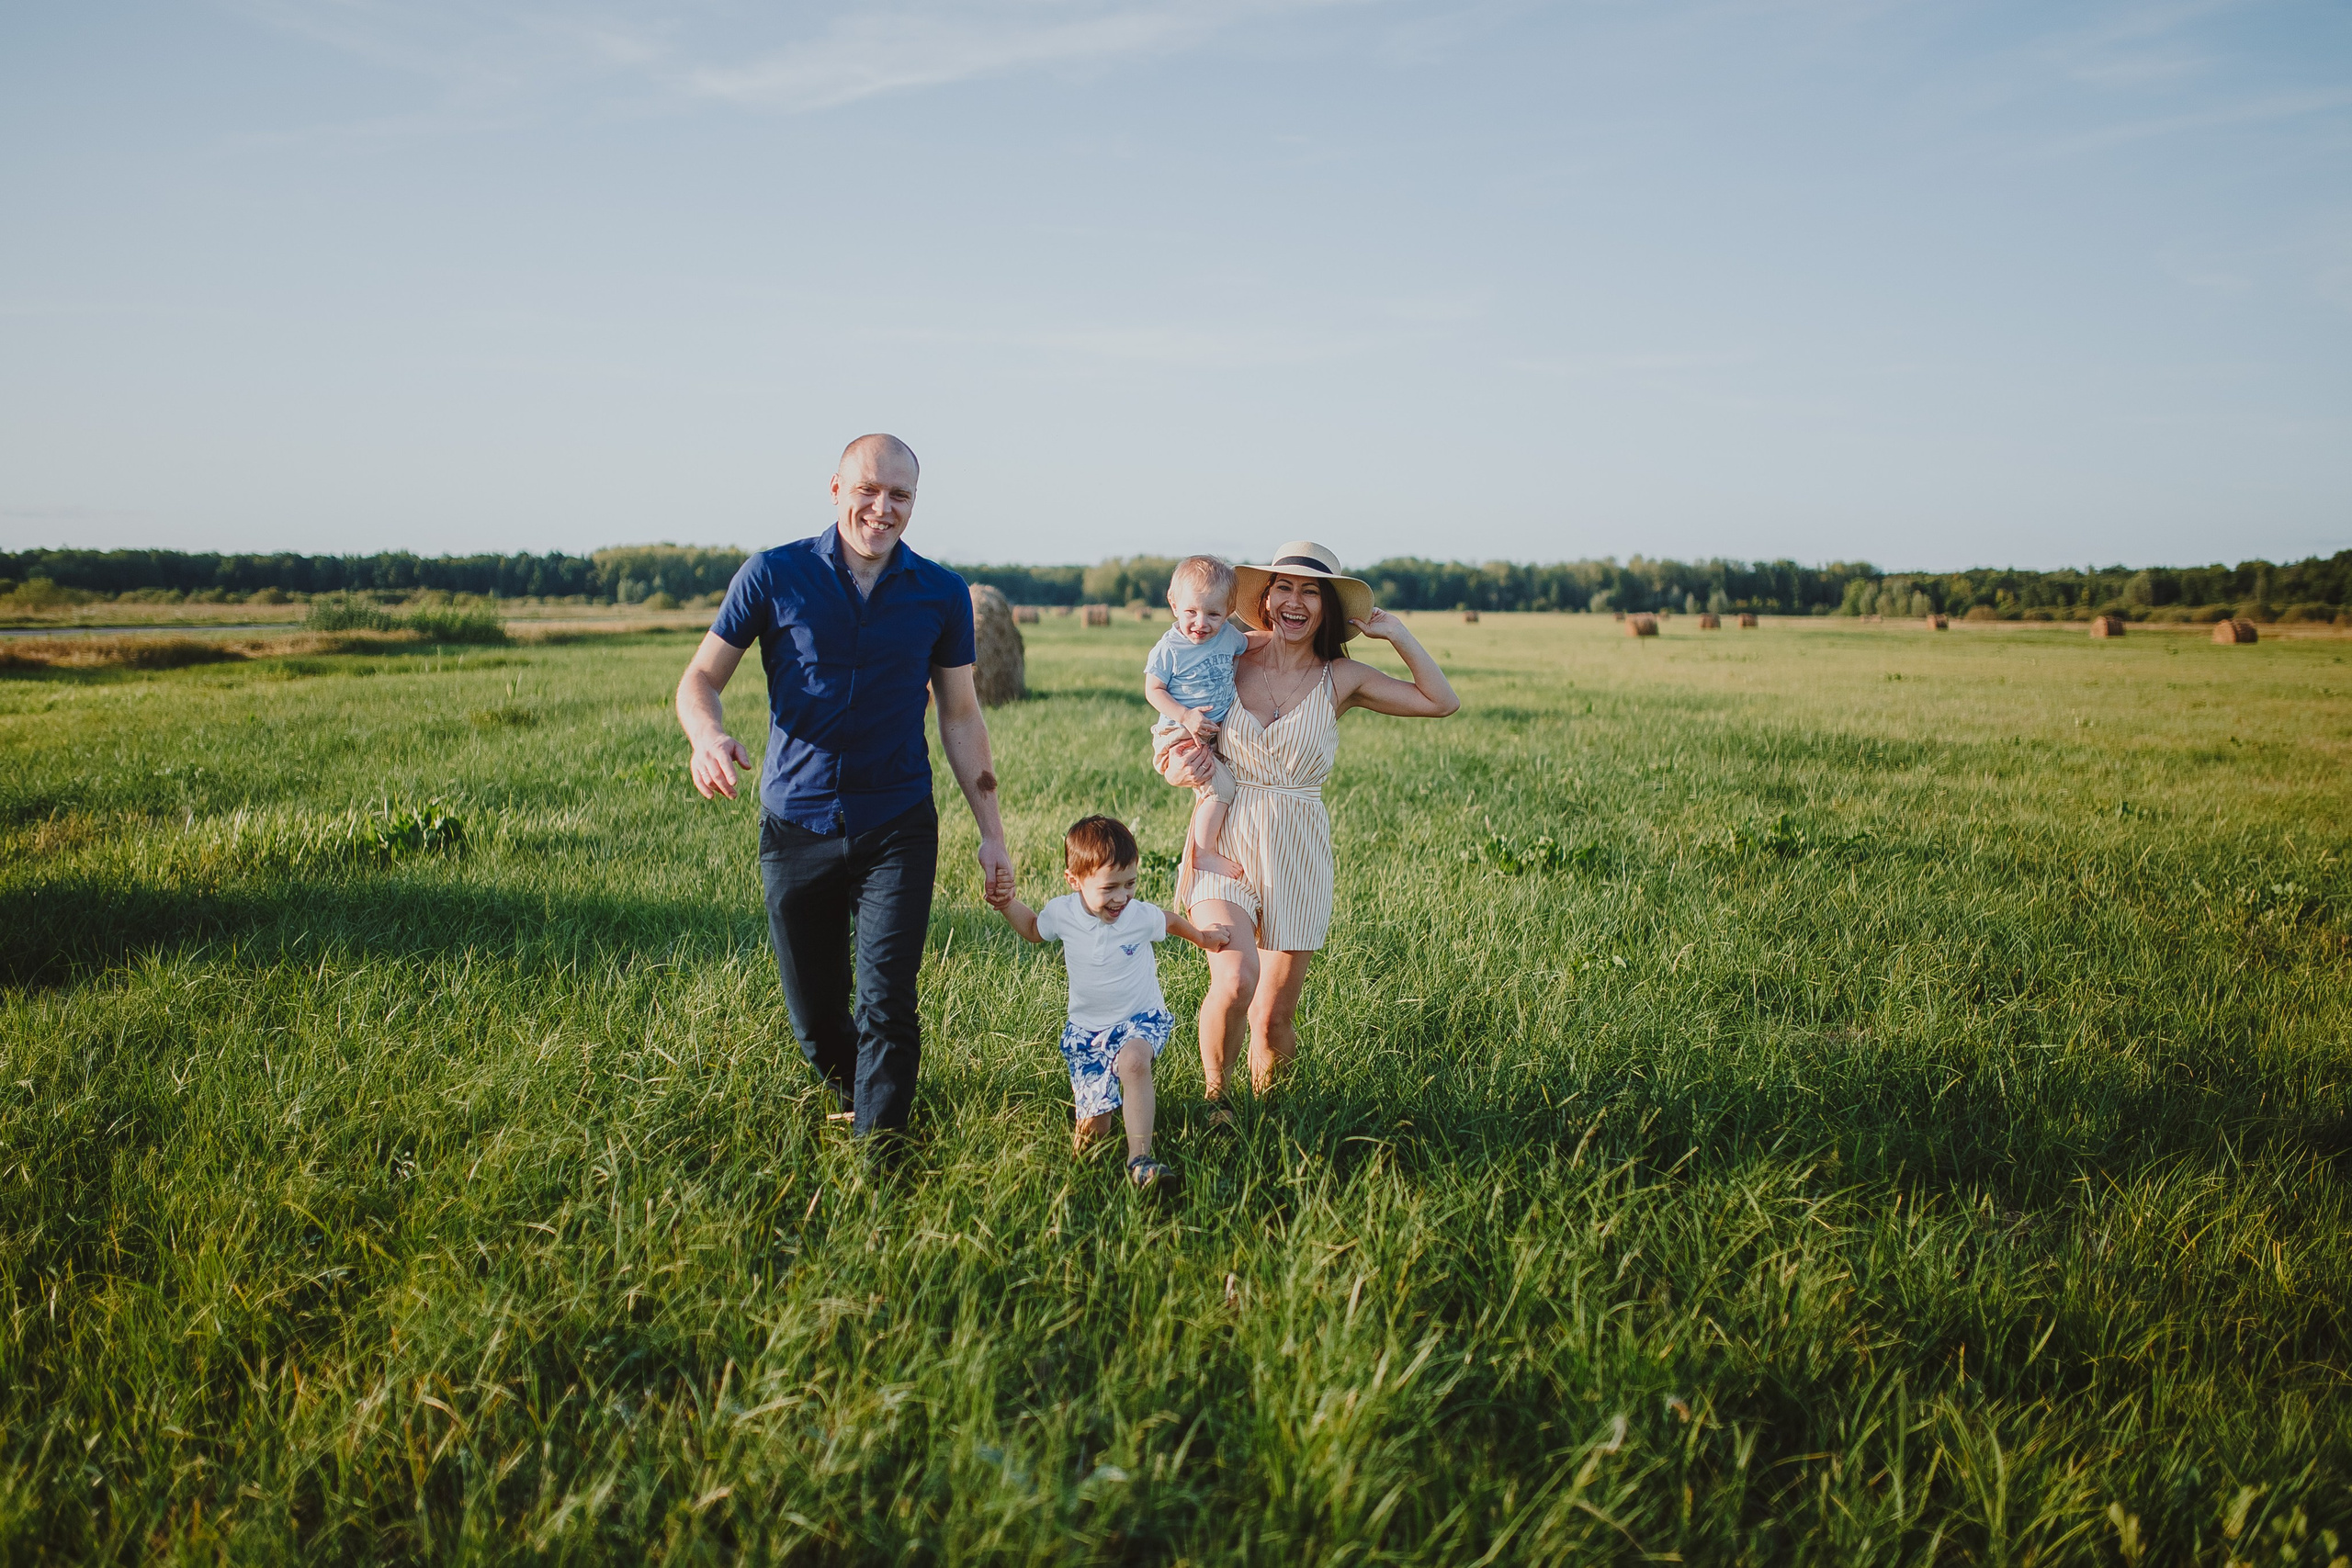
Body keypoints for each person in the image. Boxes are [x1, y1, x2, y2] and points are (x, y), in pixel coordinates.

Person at [675, 434, 1014, 1148]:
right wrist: (708, 737)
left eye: (900, 496)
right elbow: (699, 680)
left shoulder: (943, 594)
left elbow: (959, 714)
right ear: (835, 489)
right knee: (817, 1017)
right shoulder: (772, 574)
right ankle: (862, 1089)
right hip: (794, 824)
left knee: (888, 1003)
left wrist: (992, 830)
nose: (882, 508)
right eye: (869, 490)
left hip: (897, 821)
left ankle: (884, 1162)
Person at [1159, 539, 1459, 1109]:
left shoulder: (1341, 677)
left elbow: (1440, 702)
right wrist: (1181, 762)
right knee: (1235, 979)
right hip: (1223, 839)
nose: (1295, 602)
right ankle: (1217, 1103)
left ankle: (1274, 1116)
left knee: (1273, 1017)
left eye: (1311, 591)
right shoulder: (1226, 651)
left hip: (1297, 848)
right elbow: (1169, 735)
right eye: (1285, 588)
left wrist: (1396, 635)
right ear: (1266, 599)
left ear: (1325, 607)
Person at [986, 816, 1230, 1189]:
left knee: (1133, 1062)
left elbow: (1170, 922)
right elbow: (1035, 930)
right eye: (1110, 888)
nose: (1122, 898)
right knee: (1092, 1135)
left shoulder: (1137, 916)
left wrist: (1204, 938)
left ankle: (1141, 1160)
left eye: (1130, 884)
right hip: (1087, 1032)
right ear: (1075, 881)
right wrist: (1006, 905)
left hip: (1140, 1020)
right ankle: (1078, 1186)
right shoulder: (1063, 913)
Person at [1144, 555, 1272, 899]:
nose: (1201, 623)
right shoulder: (1169, 648)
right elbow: (1152, 690)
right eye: (1192, 612)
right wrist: (1185, 716)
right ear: (1174, 604)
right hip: (1181, 733)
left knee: (1223, 784)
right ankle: (1202, 853)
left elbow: (1251, 642)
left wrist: (1279, 638)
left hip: (1209, 734)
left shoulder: (1228, 636)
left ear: (1228, 612)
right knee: (1221, 788)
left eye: (1213, 614)